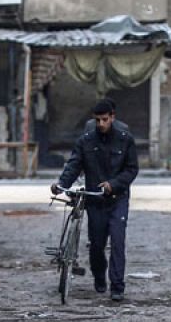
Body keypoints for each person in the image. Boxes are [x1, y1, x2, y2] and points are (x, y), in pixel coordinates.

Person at [52, 97, 139, 300]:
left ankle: (117, 287)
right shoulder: (86, 140)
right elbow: (74, 165)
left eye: (105, 119)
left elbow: (132, 169)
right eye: (98, 120)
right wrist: (61, 184)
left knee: (118, 241)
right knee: (97, 244)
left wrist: (113, 184)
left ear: (112, 118)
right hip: (95, 200)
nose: (101, 124)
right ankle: (99, 276)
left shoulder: (125, 139)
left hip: (118, 199)